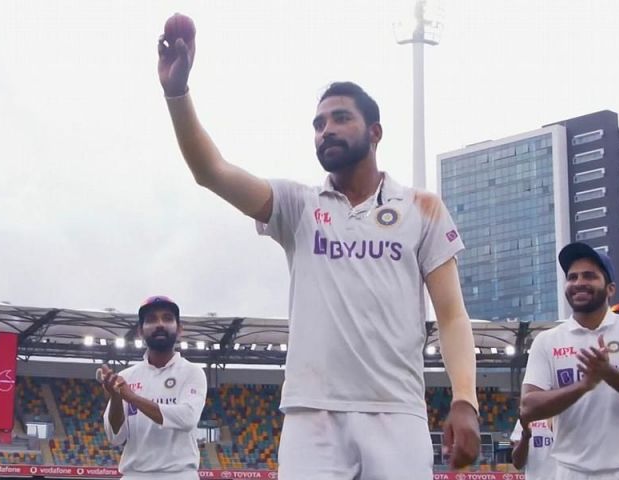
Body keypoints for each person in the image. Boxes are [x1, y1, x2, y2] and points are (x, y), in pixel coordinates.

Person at [157, 16, 480, 479]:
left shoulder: (422, 208)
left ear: (375, 132)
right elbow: (211, 171)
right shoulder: (298, 205)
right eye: (318, 123)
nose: (325, 129)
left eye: (340, 118)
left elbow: (451, 315)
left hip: (397, 410)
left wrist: (464, 398)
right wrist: (177, 94)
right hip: (312, 416)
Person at [520, 242, 619, 479]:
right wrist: (584, 385)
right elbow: (528, 407)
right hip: (572, 470)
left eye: (589, 276)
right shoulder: (548, 341)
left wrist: (611, 375)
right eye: (572, 277)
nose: (578, 283)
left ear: (610, 289)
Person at [100, 296, 207, 480]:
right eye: (151, 320)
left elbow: (187, 418)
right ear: (140, 332)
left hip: (179, 475)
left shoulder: (192, 372)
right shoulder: (126, 377)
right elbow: (115, 437)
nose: (160, 324)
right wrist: (116, 399)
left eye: (167, 318)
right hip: (134, 474)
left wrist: (132, 398)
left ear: (179, 329)